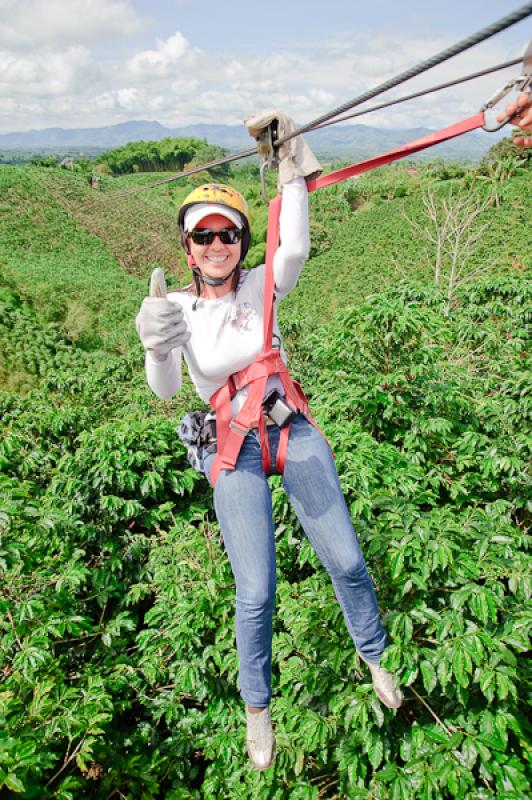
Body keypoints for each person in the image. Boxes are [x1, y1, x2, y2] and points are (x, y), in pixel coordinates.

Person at [134, 110, 402, 772]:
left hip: (287, 425)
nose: (218, 244)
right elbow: (167, 391)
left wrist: (289, 170)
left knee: (345, 558)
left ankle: (374, 654)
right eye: (204, 236)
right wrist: (154, 343)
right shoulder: (182, 313)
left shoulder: (262, 287)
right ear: (187, 249)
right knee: (256, 590)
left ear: (241, 240)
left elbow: (297, 248)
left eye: (228, 233)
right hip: (231, 445)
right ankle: (259, 706)